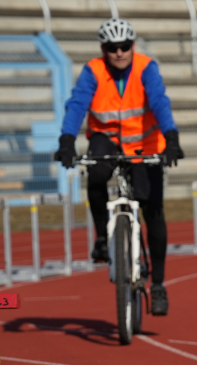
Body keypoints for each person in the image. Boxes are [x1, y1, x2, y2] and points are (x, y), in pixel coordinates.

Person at [53, 18, 183, 315]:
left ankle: (159, 285)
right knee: (96, 172)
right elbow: (77, 105)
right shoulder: (93, 70)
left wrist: (172, 137)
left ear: (133, 45)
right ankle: (102, 237)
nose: (120, 52)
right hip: (107, 139)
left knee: (153, 210)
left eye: (125, 46)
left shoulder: (146, 68)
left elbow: (159, 101)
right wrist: (66, 140)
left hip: (145, 143)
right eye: (113, 48)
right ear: (104, 49)